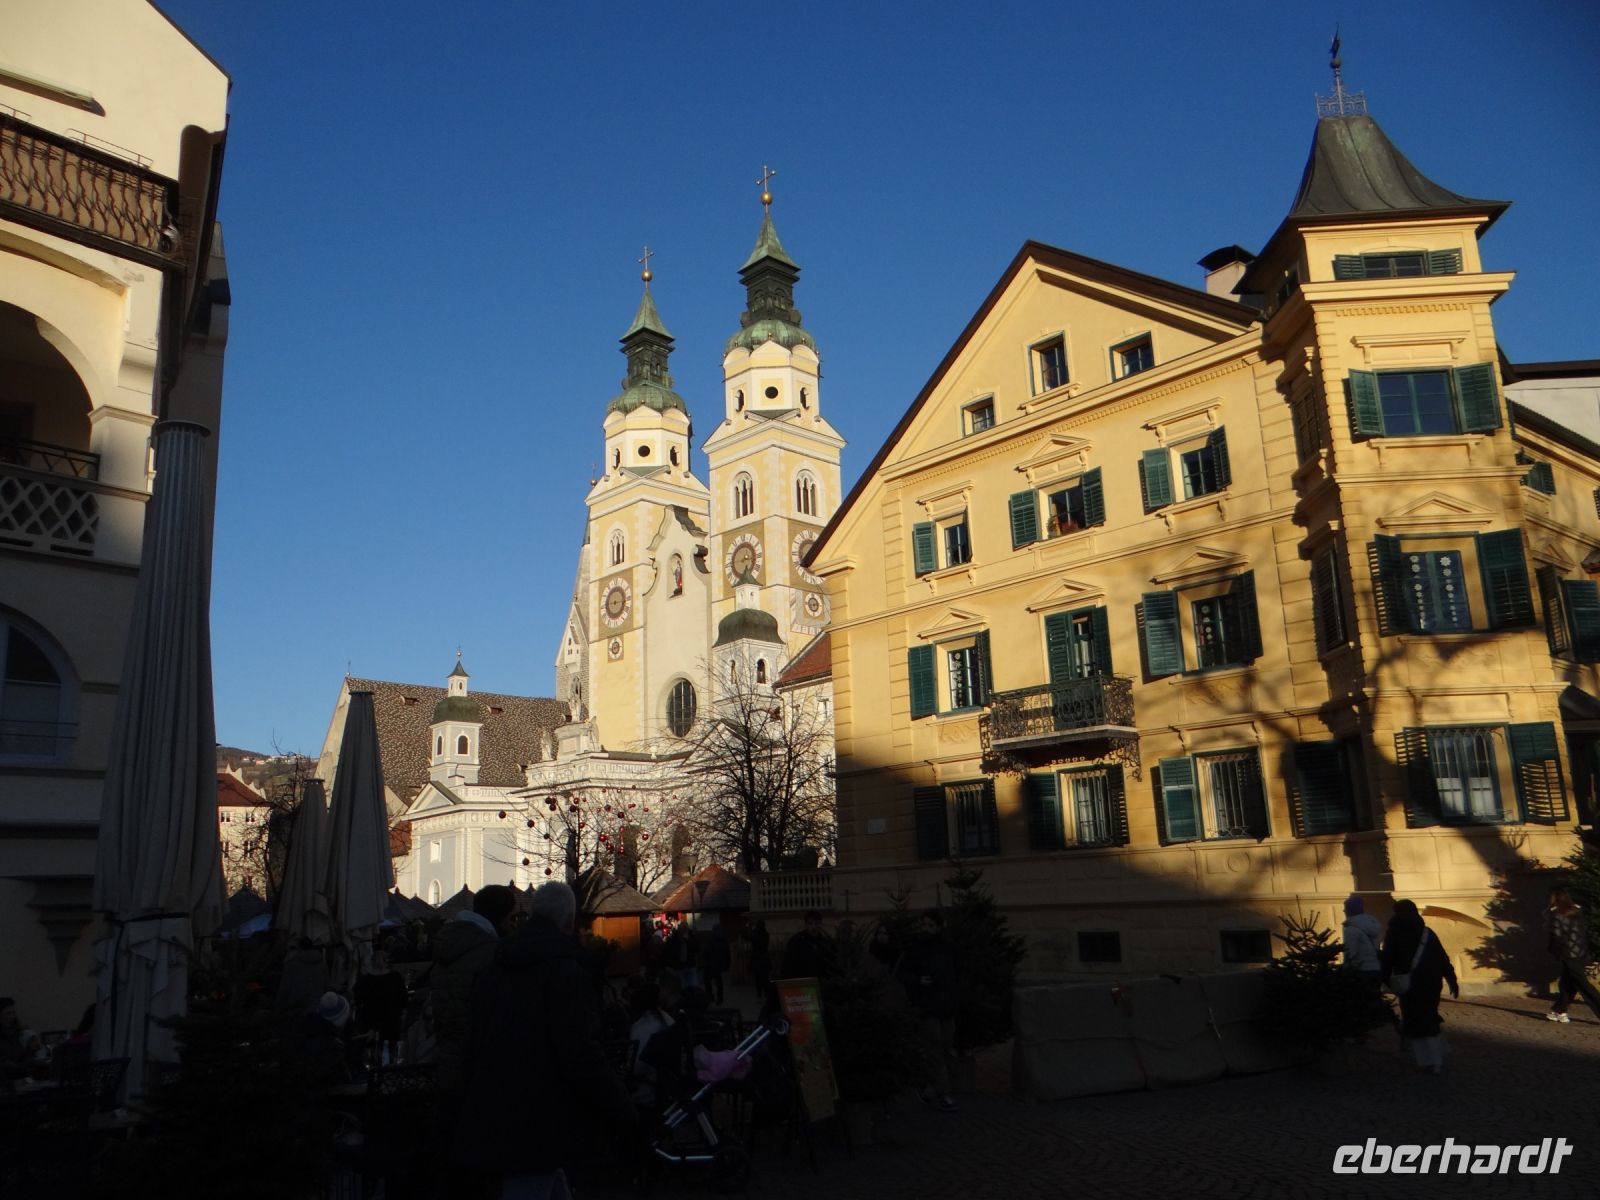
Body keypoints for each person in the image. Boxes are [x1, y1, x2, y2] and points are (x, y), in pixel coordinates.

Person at [454, 881, 639, 1199]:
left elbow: (472, 1039)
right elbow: (581, 1053)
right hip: (541, 1117)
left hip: (498, 1108)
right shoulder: (566, 971)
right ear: (569, 920)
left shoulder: (495, 965)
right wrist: (623, 1110)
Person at [430, 884, 518, 1094]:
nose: (513, 925)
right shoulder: (490, 953)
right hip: (479, 1062)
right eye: (511, 919)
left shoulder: (451, 944)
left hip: (447, 1057)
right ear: (500, 916)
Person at [1381, 899, 1459, 1074]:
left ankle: (1429, 1059)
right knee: (1429, 1014)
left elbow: (1387, 958)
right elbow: (1442, 957)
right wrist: (1451, 979)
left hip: (1410, 983)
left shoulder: (1394, 933)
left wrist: (1385, 980)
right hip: (1432, 982)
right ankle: (1438, 1053)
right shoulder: (1427, 933)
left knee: (1416, 1019)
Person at [903, 912, 959, 1111]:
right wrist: (918, 981)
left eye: (930, 925)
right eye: (923, 924)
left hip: (946, 1005)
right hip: (927, 1006)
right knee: (934, 1050)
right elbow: (904, 973)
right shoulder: (915, 949)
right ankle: (944, 1093)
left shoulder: (948, 947)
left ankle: (928, 1087)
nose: (925, 928)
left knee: (946, 1049)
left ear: (938, 926)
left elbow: (957, 972)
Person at [1546, 885, 1600, 1023]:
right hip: (1581, 952)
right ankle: (1559, 1010)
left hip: (1568, 954)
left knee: (1583, 984)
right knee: (1568, 983)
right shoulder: (1578, 910)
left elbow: (1556, 936)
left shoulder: (1556, 913)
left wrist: (1554, 951)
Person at [353, 950, 408, 1060]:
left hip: (372, 1023)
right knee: (391, 1052)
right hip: (391, 1021)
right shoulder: (395, 977)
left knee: (374, 1054)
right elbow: (403, 1000)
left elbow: (357, 1001)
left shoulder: (364, 980)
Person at [779, 911, 834, 981]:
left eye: (817, 924)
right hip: (802, 981)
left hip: (819, 982)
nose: (814, 927)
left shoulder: (824, 943)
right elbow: (788, 964)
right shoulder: (797, 941)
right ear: (806, 925)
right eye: (810, 924)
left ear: (820, 924)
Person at [0, 997, 43, 1082]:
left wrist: (31, 1050)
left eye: (13, 1013)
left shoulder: (18, 1033)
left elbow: (20, 1057)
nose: (12, 1017)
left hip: (18, 1078)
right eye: (8, 1013)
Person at [700, 923, 731, 1005]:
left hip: (710, 964)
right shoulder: (724, 940)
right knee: (719, 982)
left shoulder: (711, 939)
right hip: (719, 965)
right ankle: (720, 999)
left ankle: (710, 996)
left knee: (707, 981)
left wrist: (703, 960)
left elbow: (705, 952)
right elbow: (727, 954)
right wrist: (727, 965)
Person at [747, 920, 772, 993]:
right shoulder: (766, 934)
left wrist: (749, 926)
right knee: (765, 978)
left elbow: (748, 937)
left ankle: (759, 994)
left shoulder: (755, 934)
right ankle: (766, 993)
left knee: (757, 978)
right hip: (764, 957)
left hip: (757, 957)